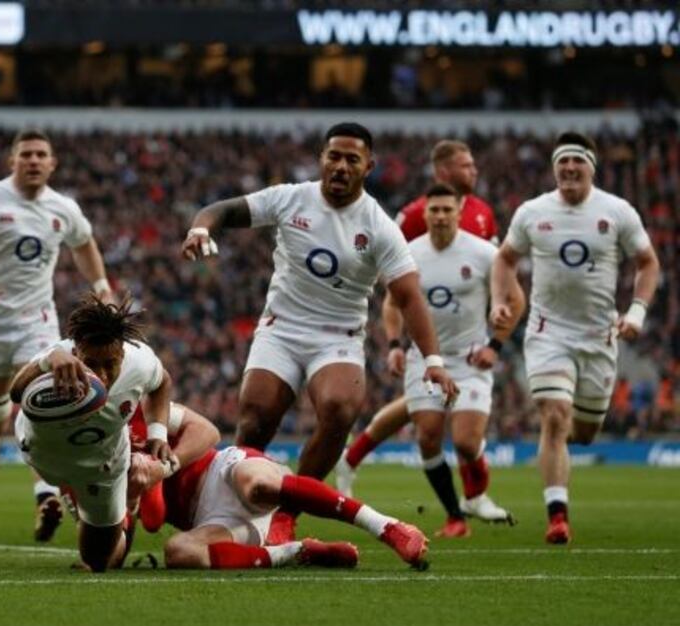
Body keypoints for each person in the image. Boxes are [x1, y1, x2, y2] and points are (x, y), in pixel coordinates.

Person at [181, 122, 458, 545]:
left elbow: (409, 297)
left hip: (338, 336)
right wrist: (202, 227)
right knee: (255, 422)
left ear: (369, 166)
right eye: (334, 156)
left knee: (339, 408)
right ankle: (232, 511)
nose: (341, 166)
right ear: (322, 158)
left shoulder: (379, 226)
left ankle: (287, 513)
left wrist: (434, 362)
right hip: (281, 330)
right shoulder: (291, 198)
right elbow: (225, 210)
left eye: (352, 159)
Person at [0, 129, 113, 540]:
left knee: (41, 406)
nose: (33, 160)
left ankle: (45, 494)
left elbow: (84, 243)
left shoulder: (62, 208)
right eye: (26, 154)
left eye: (40, 154)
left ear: (52, 163)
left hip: (38, 324)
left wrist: (101, 285)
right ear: (12, 161)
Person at [490, 132, 659, 544]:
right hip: (549, 334)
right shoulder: (532, 212)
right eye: (561, 163)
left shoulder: (617, 211)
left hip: (599, 337)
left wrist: (636, 310)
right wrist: (499, 300)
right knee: (553, 415)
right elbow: (505, 259)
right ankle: (557, 515)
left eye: (576, 163)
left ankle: (561, 453)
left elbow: (648, 262)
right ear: (553, 169)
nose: (568, 170)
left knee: (582, 433)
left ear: (591, 168)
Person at [340, 140, 512, 493]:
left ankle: (353, 457)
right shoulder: (416, 215)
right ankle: (464, 498)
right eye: (466, 165)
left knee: (428, 411)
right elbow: (393, 267)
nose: (474, 171)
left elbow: (495, 270)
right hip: (426, 329)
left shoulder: (482, 211)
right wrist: (397, 340)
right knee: (424, 415)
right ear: (444, 172)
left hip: (467, 328)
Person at [381, 184, 520, 537]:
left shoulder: (484, 253)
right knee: (428, 437)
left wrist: (496, 345)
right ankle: (455, 516)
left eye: (447, 210)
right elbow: (392, 304)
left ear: (459, 212)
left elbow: (516, 298)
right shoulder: (408, 254)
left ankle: (476, 496)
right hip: (424, 360)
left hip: (470, 360)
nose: (441, 216)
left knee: (466, 443)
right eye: (435, 210)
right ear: (424, 214)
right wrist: (395, 345)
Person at [9, 294, 174, 573]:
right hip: (43, 455)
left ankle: (127, 504)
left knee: (98, 561)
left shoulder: (140, 362)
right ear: (76, 353)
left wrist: (158, 433)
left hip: (102, 464)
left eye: (110, 363)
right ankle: (63, 496)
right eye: (92, 364)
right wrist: (48, 361)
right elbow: (15, 392)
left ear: (122, 353)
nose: (103, 375)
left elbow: (163, 383)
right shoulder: (58, 356)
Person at [152, 443, 429, 571]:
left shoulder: (146, 404)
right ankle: (293, 552)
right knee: (178, 553)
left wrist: (162, 463)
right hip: (213, 522)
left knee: (258, 484)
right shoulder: (109, 458)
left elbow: (205, 430)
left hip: (222, 471)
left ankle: (385, 526)